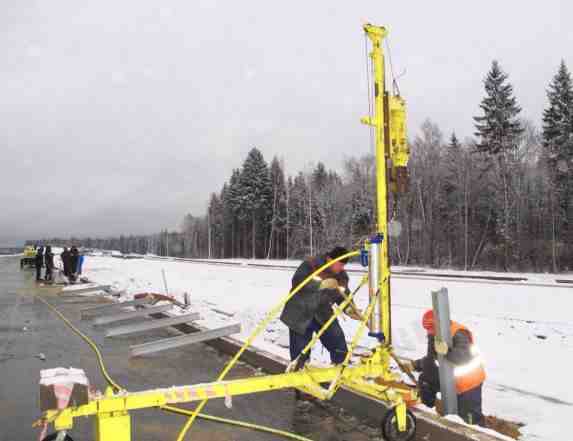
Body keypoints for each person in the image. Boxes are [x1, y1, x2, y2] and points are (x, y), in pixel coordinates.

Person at [280, 246, 362, 371]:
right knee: (300, 351)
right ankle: (298, 375)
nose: (341, 268)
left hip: (322, 312)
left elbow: (342, 294)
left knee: (337, 340)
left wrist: (349, 309)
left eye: (343, 266)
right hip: (301, 311)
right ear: (330, 259)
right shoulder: (311, 264)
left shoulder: (341, 276)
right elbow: (298, 281)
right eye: (339, 264)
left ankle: (340, 370)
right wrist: (320, 284)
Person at [405, 309, 485, 425]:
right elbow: (431, 359)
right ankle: (428, 413)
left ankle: (479, 431)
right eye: (429, 330)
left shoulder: (458, 333)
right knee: (425, 380)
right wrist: (415, 365)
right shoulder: (436, 334)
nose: (430, 333)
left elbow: (464, 357)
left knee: (470, 418)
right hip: (451, 379)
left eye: (432, 329)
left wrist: (447, 351)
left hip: (469, 383)